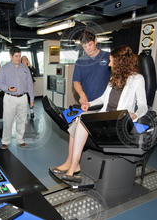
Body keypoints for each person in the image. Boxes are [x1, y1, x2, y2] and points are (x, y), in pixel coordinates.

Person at [50, 45, 148, 182]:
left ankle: (73, 165)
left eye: (111, 61)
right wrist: (89, 104)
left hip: (118, 122)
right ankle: (71, 162)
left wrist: (135, 115)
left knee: (82, 121)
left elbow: (143, 106)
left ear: (120, 63)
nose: (109, 64)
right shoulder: (114, 78)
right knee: (78, 119)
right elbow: (103, 98)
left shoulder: (137, 79)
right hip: (105, 117)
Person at [0, 47, 34, 149]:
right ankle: (5, 141)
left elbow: (30, 84)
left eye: (19, 56)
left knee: (22, 120)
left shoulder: (25, 68)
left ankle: (20, 140)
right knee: (7, 120)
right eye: (16, 56)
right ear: (11, 56)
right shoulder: (4, 68)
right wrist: (7, 88)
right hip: (10, 98)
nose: (18, 58)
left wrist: (31, 99)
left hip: (23, 98)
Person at [73, 31, 111, 106]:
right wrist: (82, 95)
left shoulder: (108, 57)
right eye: (85, 46)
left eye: (90, 45)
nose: (88, 49)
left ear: (95, 41)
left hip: (105, 102)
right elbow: (76, 81)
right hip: (87, 102)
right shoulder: (80, 62)